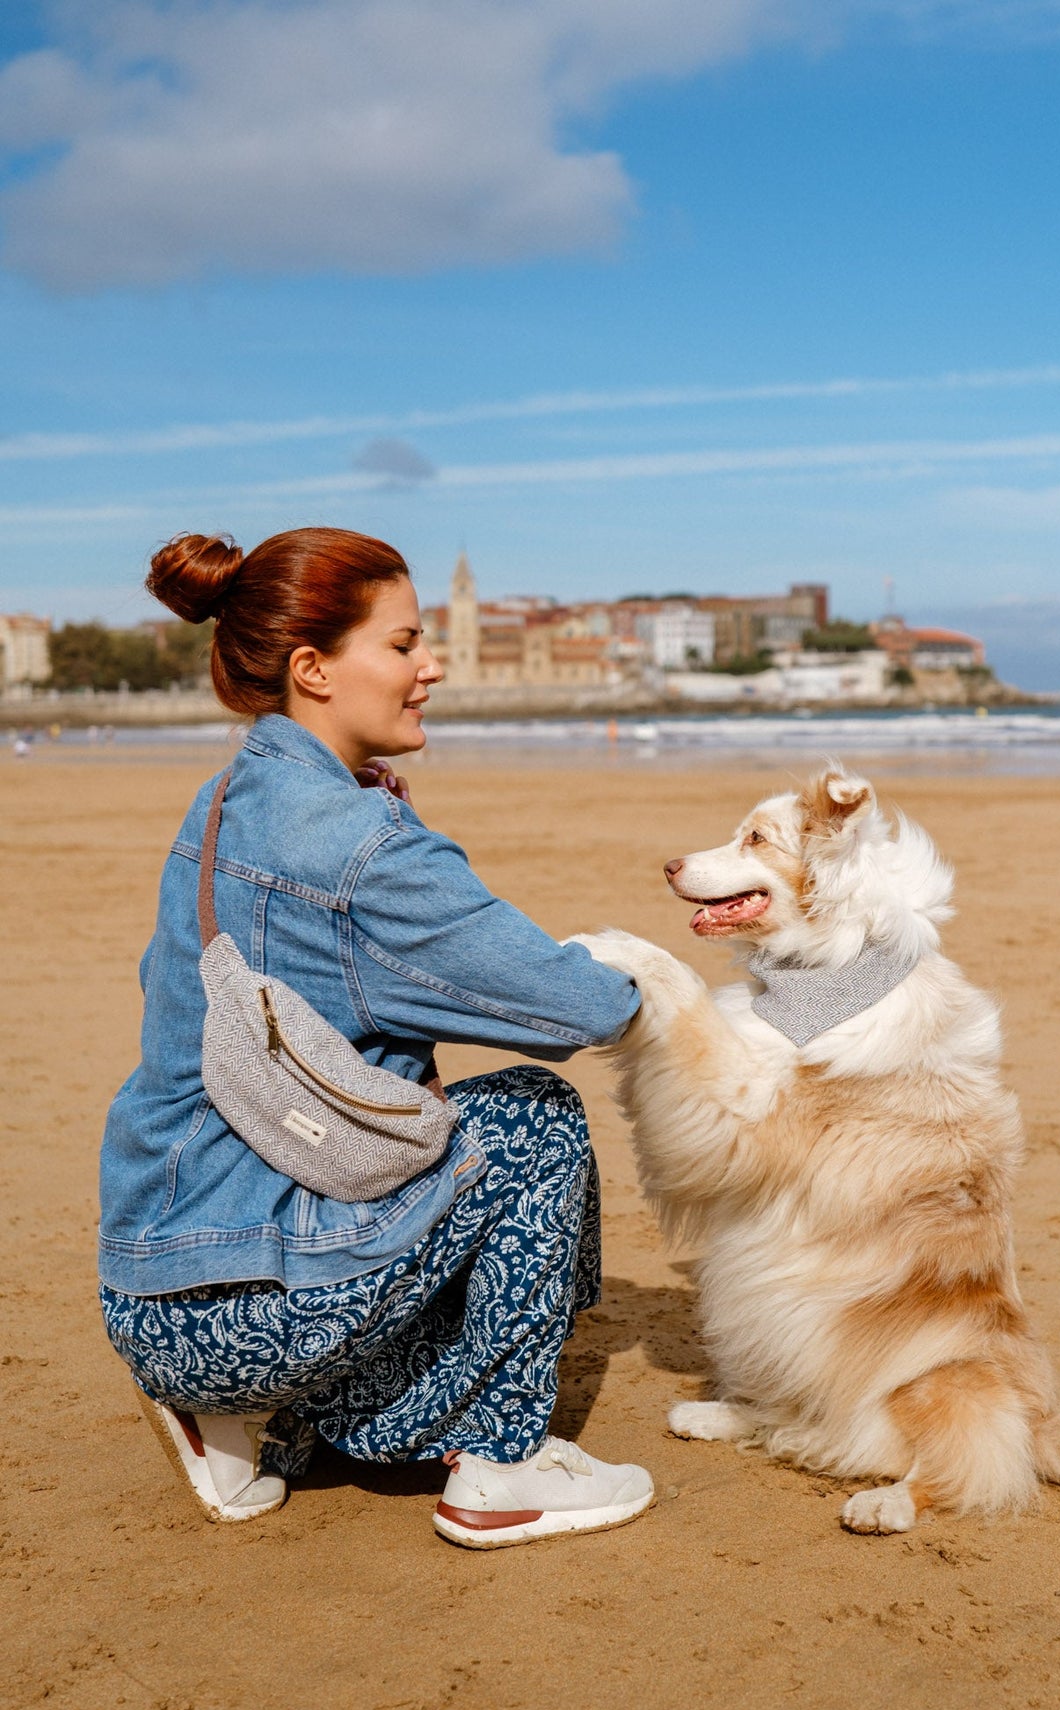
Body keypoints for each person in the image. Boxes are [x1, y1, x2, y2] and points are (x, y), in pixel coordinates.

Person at [99, 527, 654, 1549]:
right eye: (402, 646)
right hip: (253, 1300)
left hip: (158, 1283)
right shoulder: (355, 842)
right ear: (313, 671)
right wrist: (665, 988)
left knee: (427, 1186)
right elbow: (586, 1010)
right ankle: (501, 1469)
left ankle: (245, 1416)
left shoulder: (230, 798)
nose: (429, 667)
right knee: (534, 1119)